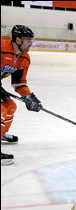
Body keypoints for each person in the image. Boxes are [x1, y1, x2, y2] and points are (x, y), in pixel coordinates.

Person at [1, 25, 40, 165]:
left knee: (10, 106)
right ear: (18, 40)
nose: (31, 44)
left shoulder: (24, 58)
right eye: (28, 40)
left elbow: (19, 83)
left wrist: (29, 98)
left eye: (32, 40)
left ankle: (2, 134)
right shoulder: (2, 47)